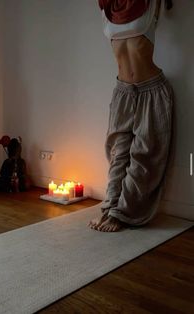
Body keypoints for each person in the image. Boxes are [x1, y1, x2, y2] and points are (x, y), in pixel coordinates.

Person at [88, 0, 174, 232]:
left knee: (143, 155)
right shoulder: (108, 8)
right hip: (123, 91)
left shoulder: (147, 4)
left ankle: (123, 213)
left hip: (151, 90)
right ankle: (110, 207)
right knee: (118, 153)